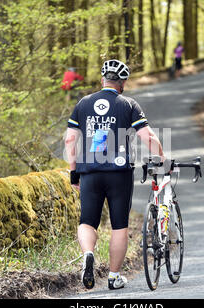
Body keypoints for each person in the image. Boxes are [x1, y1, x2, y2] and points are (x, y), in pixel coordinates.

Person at [64, 59, 166, 290]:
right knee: (120, 225)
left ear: (102, 79)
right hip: (119, 172)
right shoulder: (128, 104)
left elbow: (70, 139)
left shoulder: (83, 103)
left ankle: (88, 253)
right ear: (123, 83)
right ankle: (113, 276)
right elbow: (147, 136)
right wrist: (161, 158)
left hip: (89, 171)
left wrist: (74, 171)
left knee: (87, 221)